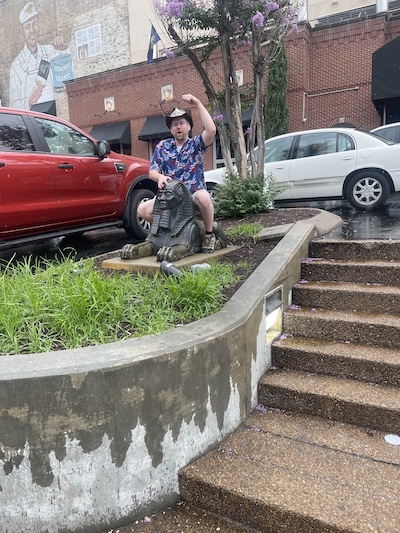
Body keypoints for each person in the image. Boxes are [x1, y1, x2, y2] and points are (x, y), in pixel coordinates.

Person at [139, 93, 217, 252]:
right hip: (170, 198)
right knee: (142, 209)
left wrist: (197, 103)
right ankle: (168, 233)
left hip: (192, 194)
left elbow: (211, 129)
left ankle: (208, 235)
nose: (178, 127)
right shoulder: (162, 146)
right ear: (171, 129)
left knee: (204, 197)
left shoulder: (196, 144)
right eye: (174, 124)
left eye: (182, 123)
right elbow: (152, 172)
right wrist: (160, 177)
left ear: (189, 126)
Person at [9, 2, 70, 110]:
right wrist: (29, 101)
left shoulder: (50, 51)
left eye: (34, 24)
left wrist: (63, 48)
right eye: (27, 26)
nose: (32, 30)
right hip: (31, 120)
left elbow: (69, 71)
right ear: (21, 30)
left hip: (54, 117)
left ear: (39, 24)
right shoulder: (16, 66)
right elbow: (12, 106)